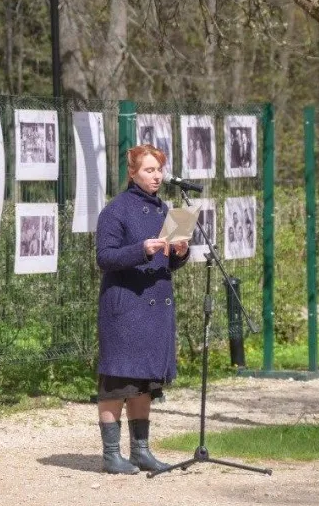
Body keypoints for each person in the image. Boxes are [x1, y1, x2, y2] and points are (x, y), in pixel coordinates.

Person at [95, 144, 189, 475]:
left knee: (144, 382)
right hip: (125, 309)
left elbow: (166, 264)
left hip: (154, 309)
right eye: (149, 170)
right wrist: (141, 249)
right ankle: (110, 455)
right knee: (118, 381)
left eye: (159, 170)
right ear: (133, 173)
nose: (157, 176)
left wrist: (178, 252)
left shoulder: (165, 209)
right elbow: (104, 258)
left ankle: (140, 451)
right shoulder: (115, 210)